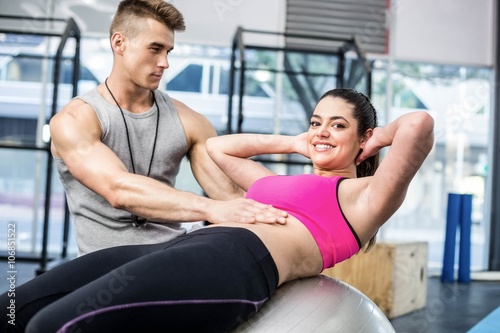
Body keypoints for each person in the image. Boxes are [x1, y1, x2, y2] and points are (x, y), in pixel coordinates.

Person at [0, 89, 434, 332]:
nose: (322, 131)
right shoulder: (272, 182)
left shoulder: (363, 196)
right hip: (183, 244)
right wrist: (295, 142)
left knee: (53, 327)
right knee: (15, 308)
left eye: (338, 125)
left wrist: (372, 142)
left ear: (365, 138)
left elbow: (418, 125)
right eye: (316, 121)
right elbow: (219, 148)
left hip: (236, 263)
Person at [50, 0, 287, 255]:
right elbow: (118, 189)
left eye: (168, 51)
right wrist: (209, 208)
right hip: (103, 270)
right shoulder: (75, 120)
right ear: (119, 43)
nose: (164, 63)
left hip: (172, 259)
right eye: (155, 49)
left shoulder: (189, 121)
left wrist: (283, 216)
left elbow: (229, 197)